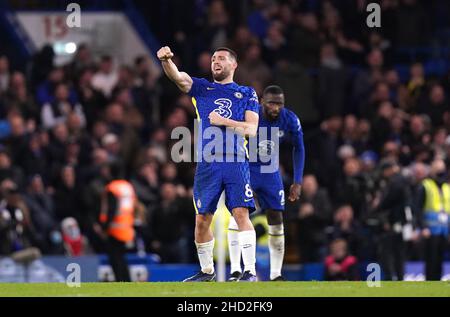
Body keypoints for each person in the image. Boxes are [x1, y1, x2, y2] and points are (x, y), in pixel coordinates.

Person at [157, 45, 259, 282]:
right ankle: (207, 272)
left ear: (234, 65)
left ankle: (250, 271)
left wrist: (223, 120)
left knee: (240, 213)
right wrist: (166, 61)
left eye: (222, 58)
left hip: (235, 160)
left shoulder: (246, 93)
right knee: (202, 218)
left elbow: (251, 130)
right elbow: (179, 78)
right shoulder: (203, 88)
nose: (216, 61)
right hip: (208, 163)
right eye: (213, 58)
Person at [227, 85, 305, 281]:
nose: (276, 107)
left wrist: (297, 181)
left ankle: (276, 273)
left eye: (279, 103)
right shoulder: (250, 114)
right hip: (247, 170)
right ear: (262, 102)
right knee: (239, 213)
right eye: (271, 103)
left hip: (271, 173)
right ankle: (236, 269)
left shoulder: (289, 118)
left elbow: (299, 148)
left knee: (276, 217)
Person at [94, 163, 136, 282]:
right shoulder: (128, 186)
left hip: (114, 228)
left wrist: (104, 228)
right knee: (122, 257)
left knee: (115, 258)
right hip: (127, 226)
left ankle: (121, 280)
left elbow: (111, 210)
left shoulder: (112, 187)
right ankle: (126, 280)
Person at [372, 159, 412, 281]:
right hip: (401, 221)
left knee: (391, 252)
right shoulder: (400, 180)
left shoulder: (397, 181)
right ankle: (398, 278)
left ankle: (392, 278)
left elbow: (388, 200)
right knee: (398, 252)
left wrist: (377, 206)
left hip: (396, 222)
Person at [415, 159, 450, 280]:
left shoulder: (447, 187)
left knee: (440, 260)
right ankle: (430, 283)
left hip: (444, 230)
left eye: (442, 168)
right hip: (430, 231)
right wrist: (423, 227)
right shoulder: (426, 186)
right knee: (431, 260)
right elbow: (417, 209)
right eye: (438, 168)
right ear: (432, 170)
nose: (441, 171)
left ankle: (437, 284)